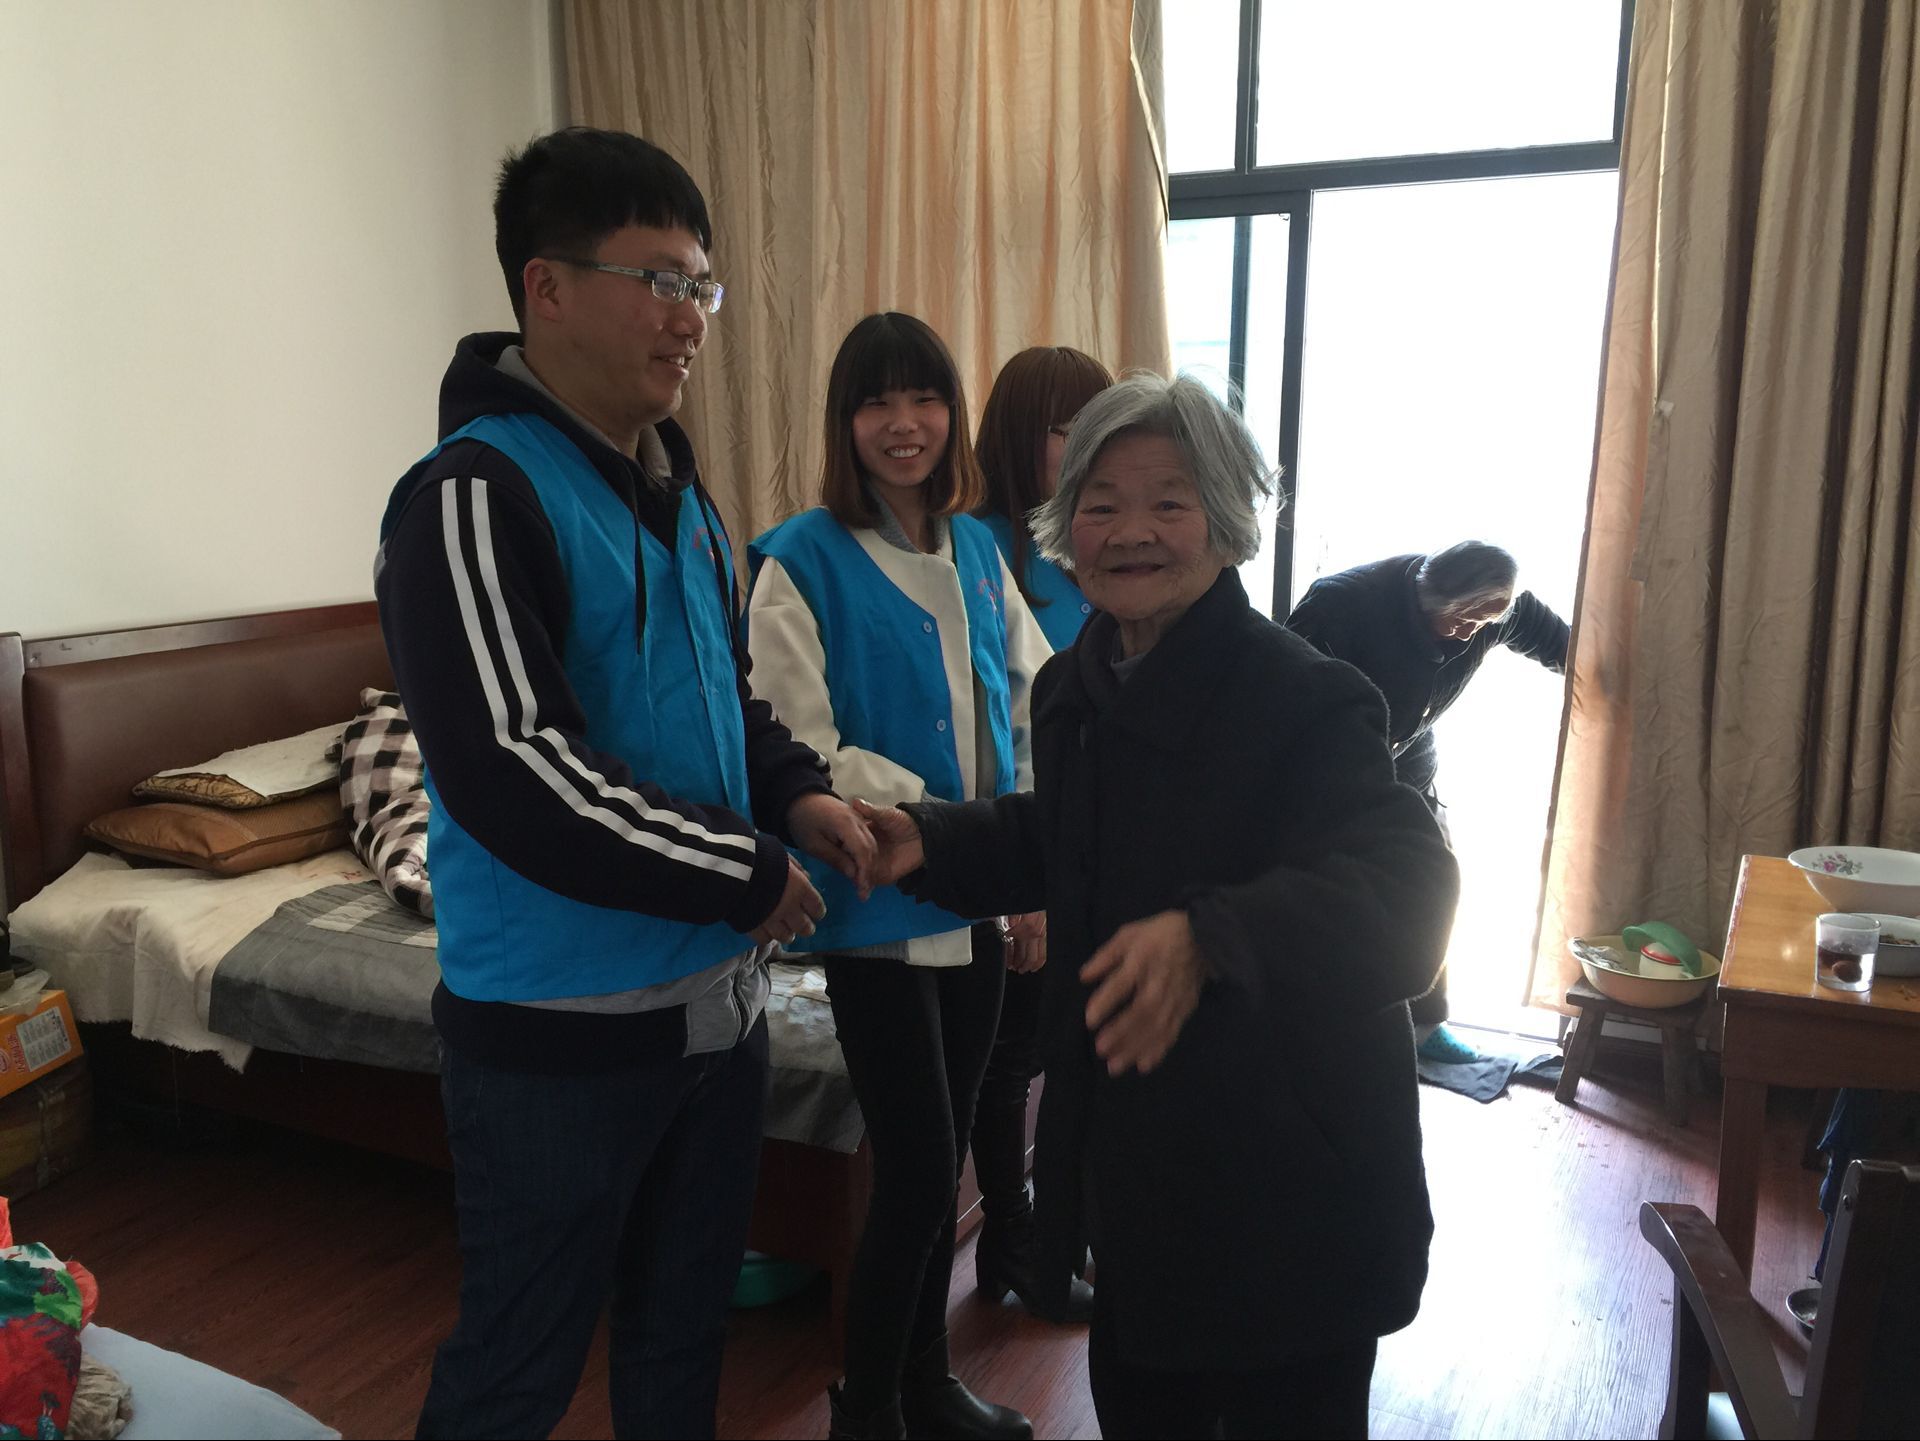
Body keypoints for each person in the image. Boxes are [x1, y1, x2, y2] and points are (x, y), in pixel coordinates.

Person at [375, 128, 875, 1440]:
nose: (690, 318)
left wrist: (797, 796)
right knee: (518, 1365)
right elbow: (516, 769)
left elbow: (725, 703)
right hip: (560, 1039)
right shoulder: (472, 497)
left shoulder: (684, 501)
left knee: (681, 1335)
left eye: (701, 285)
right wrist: (745, 870)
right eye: (658, 280)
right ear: (545, 288)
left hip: (715, 1014)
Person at [855, 374, 1460, 1439]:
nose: (1131, 531)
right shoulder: (1077, 688)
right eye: (1102, 502)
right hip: (1142, 1184)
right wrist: (935, 837)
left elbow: (1412, 891)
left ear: (1224, 521)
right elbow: (1068, 839)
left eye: (1169, 501)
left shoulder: (1305, 696)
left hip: (1291, 1196)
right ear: (1066, 525)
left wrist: (1212, 937)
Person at [745, 313, 1050, 1441]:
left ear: (951, 415)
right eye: (877, 401)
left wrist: (1026, 856)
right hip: (875, 894)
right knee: (919, 1173)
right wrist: (939, 818)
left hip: (973, 891)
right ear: (846, 422)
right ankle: (866, 1406)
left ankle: (926, 1384)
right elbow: (796, 738)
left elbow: (1032, 701)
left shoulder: (976, 550)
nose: (904, 422)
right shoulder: (799, 557)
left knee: (949, 1148)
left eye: (924, 397)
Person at [1286, 542, 1569, 1064]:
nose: (1469, 632)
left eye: (1482, 622)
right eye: (1460, 620)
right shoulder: (1340, 604)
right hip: (1335, 768)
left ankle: (1426, 1025)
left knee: (1432, 882)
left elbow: (1545, 633)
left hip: (1412, 755)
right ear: (1425, 595)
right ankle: (1336, 1027)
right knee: (1343, 894)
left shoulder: (1488, 609)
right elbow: (1284, 696)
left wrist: (1594, 669)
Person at [965, 345, 1113, 1323]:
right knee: (1012, 1053)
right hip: (1026, 841)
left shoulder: (1091, 543)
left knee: (1079, 1050)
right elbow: (996, 723)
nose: (1084, 445)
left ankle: (1067, 1224)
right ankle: (1012, 1240)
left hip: (1102, 842)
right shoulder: (980, 549)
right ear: (1020, 435)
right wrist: (1025, 889)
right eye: (1064, 427)